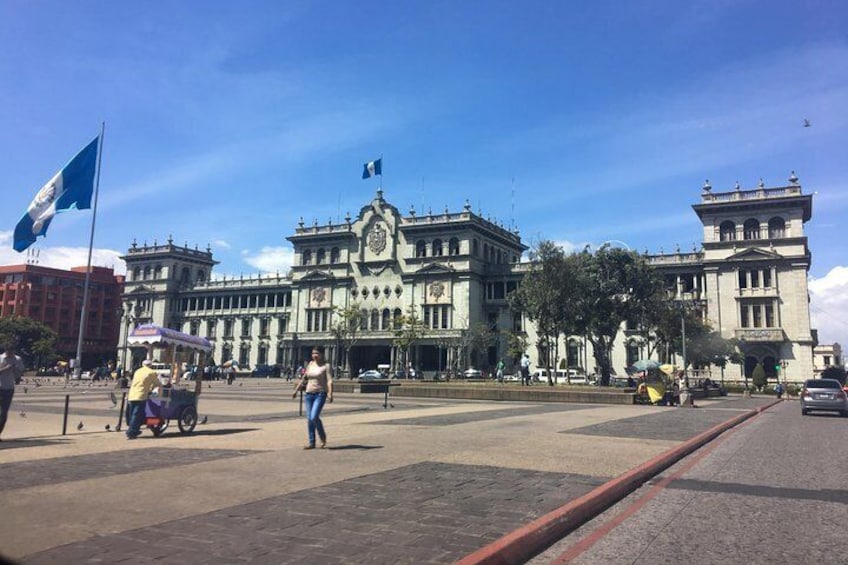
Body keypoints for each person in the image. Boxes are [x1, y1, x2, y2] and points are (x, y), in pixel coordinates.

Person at [293, 347, 334, 449]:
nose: (314, 355)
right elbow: (304, 378)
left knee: (314, 416)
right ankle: (312, 442)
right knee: (309, 419)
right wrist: (296, 390)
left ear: (322, 354)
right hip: (309, 394)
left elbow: (329, 380)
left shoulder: (326, 366)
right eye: (313, 353)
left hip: (320, 393)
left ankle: (322, 436)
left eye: (317, 353)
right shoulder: (310, 364)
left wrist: (330, 393)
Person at [126, 360, 160, 440]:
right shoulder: (152, 372)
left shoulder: (137, 371)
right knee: (136, 414)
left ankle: (134, 429)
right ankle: (131, 432)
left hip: (132, 394)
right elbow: (157, 383)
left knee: (132, 414)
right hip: (141, 395)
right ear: (151, 365)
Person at [0, 345, 25, 441]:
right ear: (5, 350)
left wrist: (15, 369)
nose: (10, 353)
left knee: (3, 413)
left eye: (12, 351)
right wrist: (5, 368)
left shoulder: (17, 359)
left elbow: (20, 373)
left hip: (9, 388)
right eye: (9, 351)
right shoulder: (0, 358)